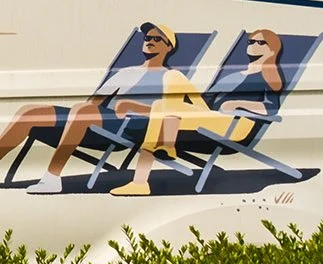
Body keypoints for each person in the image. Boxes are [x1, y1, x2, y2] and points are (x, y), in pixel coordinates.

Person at [0, 21, 188, 194]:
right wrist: (76, 118)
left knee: (81, 112)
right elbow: (93, 103)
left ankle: (53, 177)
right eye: (147, 37)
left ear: (169, 47)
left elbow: (175, 113)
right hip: (102, 119)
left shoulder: (172, 76)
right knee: (29, 113)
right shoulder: (125, 73)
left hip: (131, 128)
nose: (149, 41)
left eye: (157, 39)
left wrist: (133, 106)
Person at [112, 29, 287, 196]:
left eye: (260, 42)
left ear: (272, 49)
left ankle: (144, 177)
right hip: (211, 115)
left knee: (164, 105)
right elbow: (208, 101)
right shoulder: (237, 73)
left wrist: (235, 103)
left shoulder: (269, 74)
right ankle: (164, 146)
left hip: (235, 125)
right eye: (251, 41)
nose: (252, 44)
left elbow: (270, 108)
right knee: (171, 80)